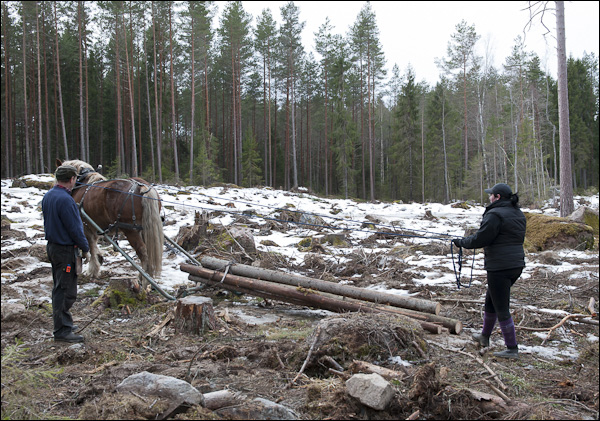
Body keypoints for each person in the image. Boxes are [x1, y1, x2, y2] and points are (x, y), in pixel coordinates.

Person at [452, 183, 526, 359]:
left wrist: (461, 242)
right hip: (516, 265)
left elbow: (481, 239)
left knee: (501, 307)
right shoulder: (518, 213)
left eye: (491, 195)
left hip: (500, 266)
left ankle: (512, 348)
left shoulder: (495, 214)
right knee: (491, 301)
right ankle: (484, 336)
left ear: (498, 197)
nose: (489, 197)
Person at [42, 165, 90, 343]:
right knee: (66, 290)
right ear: (71, 179)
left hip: (54, 247)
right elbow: (74, 228)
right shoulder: (66, 200)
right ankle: (62, 330)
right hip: (64, 250)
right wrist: (85, 247)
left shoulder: (49, 195)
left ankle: (64, 322)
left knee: (59, 286)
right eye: (75, 179)